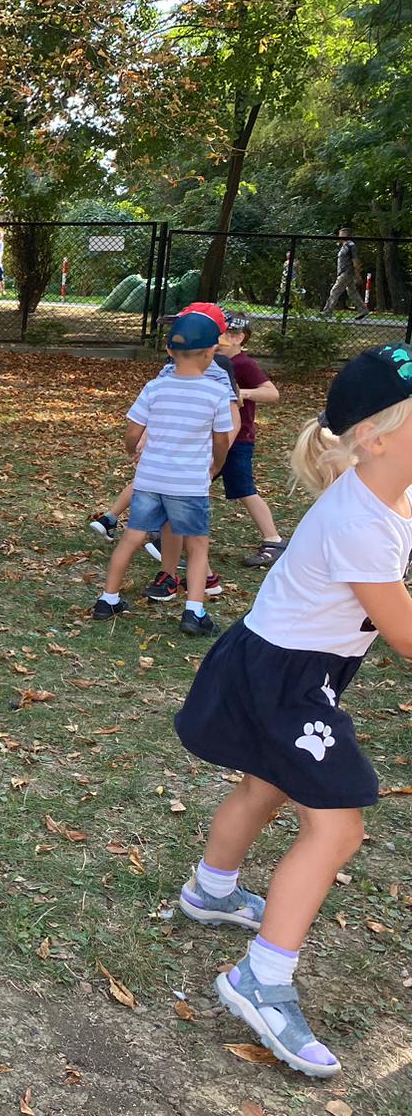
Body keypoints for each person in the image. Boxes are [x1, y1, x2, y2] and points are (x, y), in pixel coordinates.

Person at [173, 343, 412, 1079]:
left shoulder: (382, 490)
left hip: (278, 663)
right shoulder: (360, 523)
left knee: (265, 785)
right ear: (377, 436)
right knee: (337, 827)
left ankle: (211, 891)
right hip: (288, 680)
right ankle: (261, 979)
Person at [92, 309, 233, 635]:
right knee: (197, 546)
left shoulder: (155, 387)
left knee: (131, 539)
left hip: (150, 480)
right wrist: (217, 465)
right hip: (188, 484)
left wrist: (132, 453)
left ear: (169, 351)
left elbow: (132, 432)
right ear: (212, 352)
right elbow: (222, 440)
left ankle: (108, 598)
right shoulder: (215, 394)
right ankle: (194, 612)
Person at [215, 314, 288, 567]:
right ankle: (166, 530)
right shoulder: (214, 361)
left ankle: (273, 539)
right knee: (193, 483)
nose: (219, 340)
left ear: (239, 338)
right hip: (218, 436)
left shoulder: (242, 364)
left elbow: (272, 393)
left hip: (238, 439)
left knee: (244, 489)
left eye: (225, 335)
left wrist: (241, 392)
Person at [322, 227, 369, 320]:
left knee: (335, 291)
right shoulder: (344, 246)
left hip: (346, 273)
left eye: (341, 235)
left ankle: (327, 312)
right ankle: (363, 310)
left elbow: (355, 261)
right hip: (344, 273)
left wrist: (357, 274)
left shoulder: (350, 246)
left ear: (346, 235)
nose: (339, 237)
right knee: (352, 292)